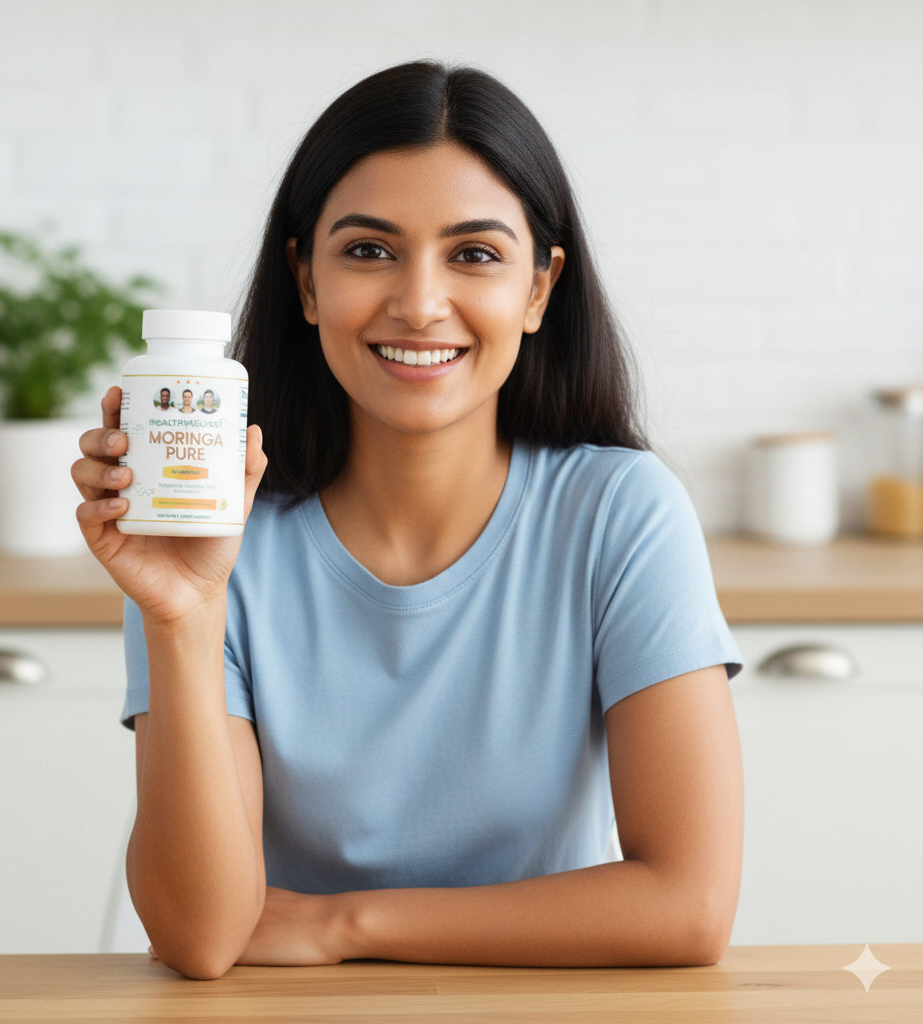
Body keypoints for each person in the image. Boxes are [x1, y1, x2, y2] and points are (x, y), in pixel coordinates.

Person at [72, 61, 743, 982]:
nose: (420, 303)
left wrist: (345, 923)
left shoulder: (620, 515)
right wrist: (182, 616)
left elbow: (688, 906)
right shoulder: (209, 538)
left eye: (474, 254)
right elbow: (199, 938)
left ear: (540, 289)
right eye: (368, 250)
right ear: (305, 280)